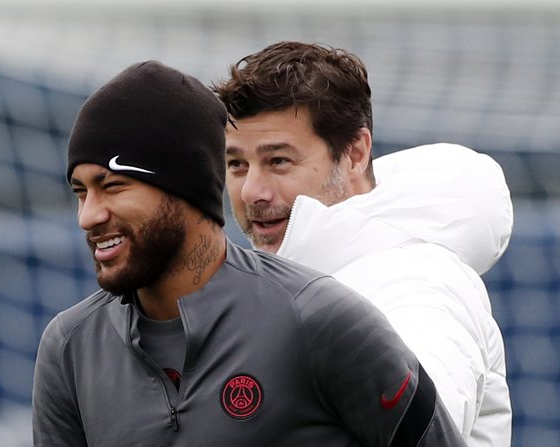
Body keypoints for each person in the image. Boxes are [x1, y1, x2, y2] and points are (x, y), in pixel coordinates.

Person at [31, 60, 465, 446]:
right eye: (80, 192)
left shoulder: (322, 318)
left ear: (184, 190)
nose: (88, 216)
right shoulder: (69, 346)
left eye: (112, 186)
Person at [213, 41, 513, 447]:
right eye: (237, 165)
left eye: (278, 161)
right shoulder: (278, 284)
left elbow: (421, 435)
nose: (251, 191)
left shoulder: (418, 286)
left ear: (355, 154)